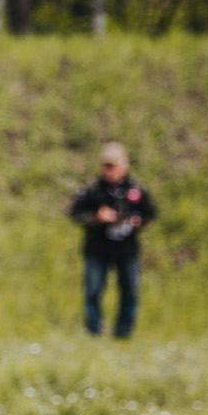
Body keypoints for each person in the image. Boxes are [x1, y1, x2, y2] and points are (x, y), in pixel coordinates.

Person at [68, 141, 156, 339]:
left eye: (113, 165)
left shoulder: (135, 190)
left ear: (123, 166)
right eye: (105, 165)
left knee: (130, 291)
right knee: (93, 289)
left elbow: (149, 213)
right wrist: (97, 217)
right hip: (98, 248)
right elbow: (76, 213)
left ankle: (123, 332)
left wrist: (137, 220)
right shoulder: (92, 189)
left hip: (126, 249)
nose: (109, 170)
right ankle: (93, 330)